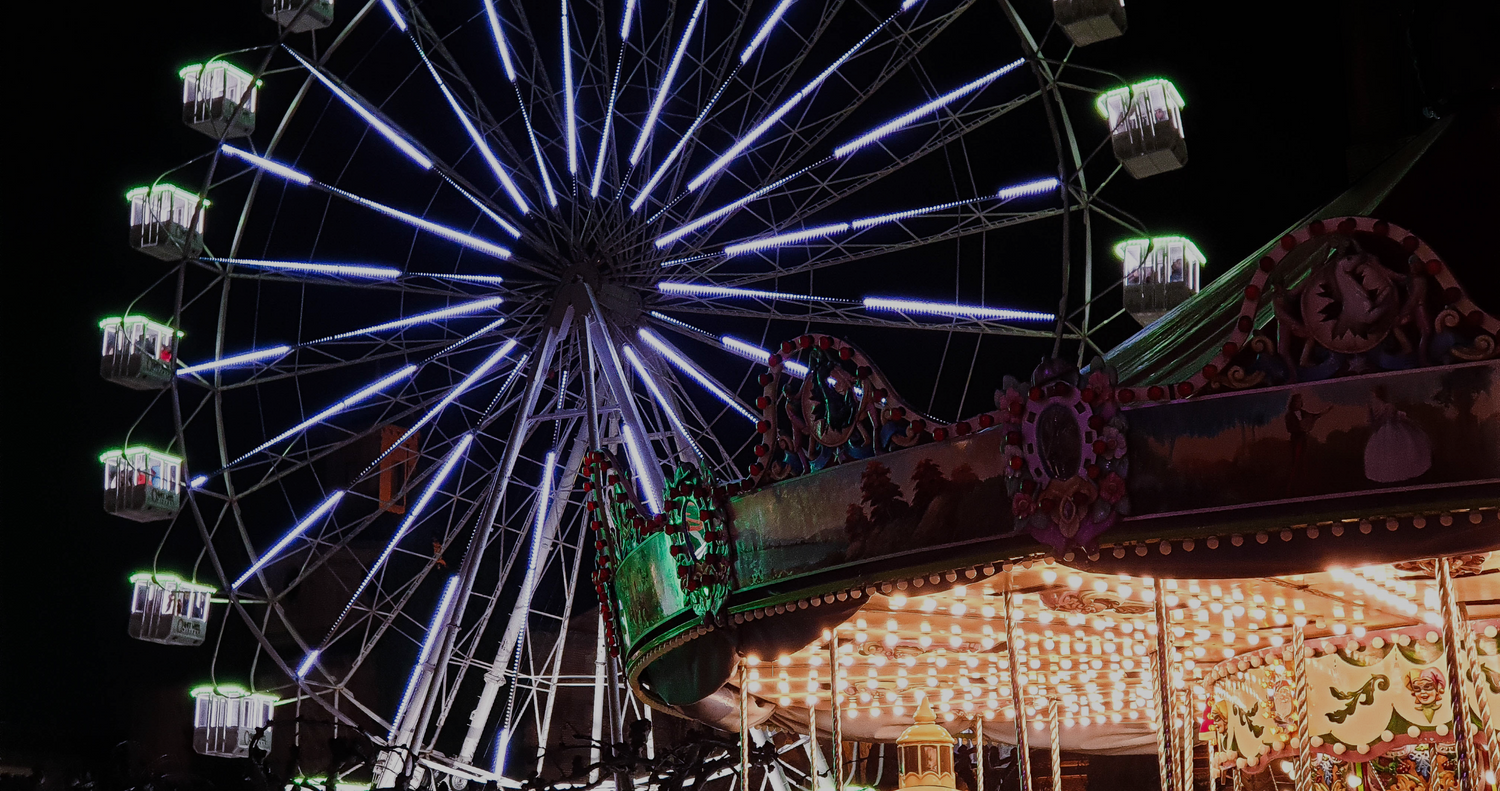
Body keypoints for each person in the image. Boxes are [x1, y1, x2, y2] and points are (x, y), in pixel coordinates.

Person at [1363, 384, 1431, 483]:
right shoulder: (1376, 405)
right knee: (1387, 451)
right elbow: (1371, 419)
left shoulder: (1386, 406)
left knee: (1403, 447)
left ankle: (1403, 474)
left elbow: (1389, 416)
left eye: (1374, 393)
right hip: (1384, 430)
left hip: (1391, 427)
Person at [1284, 393, 1329, 496]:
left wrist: (1325, 411)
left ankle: (1304, 486)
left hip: (1303, 439)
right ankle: (1291, 488)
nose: (1299, 403)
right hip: (1296, 440)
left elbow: (1314, 416)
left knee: (1304, 460)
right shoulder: (1289, 415)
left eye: (1300, 401)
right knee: (1296, 461)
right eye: (1297, 401)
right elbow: (1290, 428)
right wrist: (1300, 428)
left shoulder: (1304, 413)